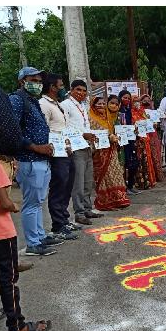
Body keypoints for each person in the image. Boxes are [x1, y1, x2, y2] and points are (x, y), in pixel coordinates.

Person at [0, 161, 51, 331]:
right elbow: (4, 203)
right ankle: (17, 326)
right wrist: (14, 206)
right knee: (8, 279)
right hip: (1, 233)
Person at [9, 67, 61, 255]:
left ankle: (39, 236)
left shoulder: (33, 101)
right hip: (29, 159)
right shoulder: (17, 100)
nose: (38, 84)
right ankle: (32, 243)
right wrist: (35, 147)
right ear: (22, 81)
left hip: (42, 159)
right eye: (34, 80)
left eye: (40, 81)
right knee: (31, 203)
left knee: (38, 201)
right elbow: (13, 131)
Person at [40, 73, 79, 240]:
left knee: (67, 184)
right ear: (52, 87)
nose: (63, 89)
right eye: (61, 86)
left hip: (66, 149)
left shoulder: (57, 105)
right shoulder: (44, 104)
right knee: (58, 186)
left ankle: (64, 218)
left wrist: (68, 144)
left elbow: (63, 128)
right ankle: (58, 225)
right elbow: (45, 129)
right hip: (56, 152)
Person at [61, 80, 103, 225]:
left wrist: (91, 136)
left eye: (84, 91)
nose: (81, 93)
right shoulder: (66, 105)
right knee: (78, 183)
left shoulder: (83, 106)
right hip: (76, 147)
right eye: (78, 90)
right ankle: (79, 212)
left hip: (86, 146)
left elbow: (86, 126)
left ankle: (87, 208)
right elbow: (64, 126)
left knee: (87, 181)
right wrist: (82, 135)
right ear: (71, 90)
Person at [88, 96, 130, 210]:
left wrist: (114, 137)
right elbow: (92, 136)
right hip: (99, 153)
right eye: (98, 104)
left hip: (112, 150)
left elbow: (112, 131)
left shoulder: (107, 117)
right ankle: (105, 201)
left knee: (115, 174)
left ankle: (118, 199)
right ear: (93, 105)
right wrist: (108, 137)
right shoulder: (90, 118)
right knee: (104, 177)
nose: (101, 106)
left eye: (102, 103)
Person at [117, 90, 141, 194]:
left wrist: (135, 130)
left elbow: (132, 123)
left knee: (133, 162)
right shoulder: (118, 110)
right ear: (120, 98)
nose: (126, 100)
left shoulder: (129, 110)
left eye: (128, 98)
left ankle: (130, 185)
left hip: (130, 139)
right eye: (124, 98)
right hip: (122, 140)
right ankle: (124, 187)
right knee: (124, 163)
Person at [132, 95, 156, 188]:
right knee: (138, 161)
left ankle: (148, 181)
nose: (137, 103)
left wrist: (152, 125)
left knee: (146, 161)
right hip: (137, 141)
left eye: (138, 101)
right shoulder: (131, 113)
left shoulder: (143, 112)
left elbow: (148, 123)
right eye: (134, 101)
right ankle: (139, 182)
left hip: (145, 140)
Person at [140, 94, 164, 182]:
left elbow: (156, 123)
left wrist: (155, 124)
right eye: (144, 100)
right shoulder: (139, 111)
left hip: (153, 134)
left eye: (148, 100)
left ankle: (158, 175)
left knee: (155, 153)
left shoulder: (153, 111)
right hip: (143, 135)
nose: (146, 102)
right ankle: (149, 176)